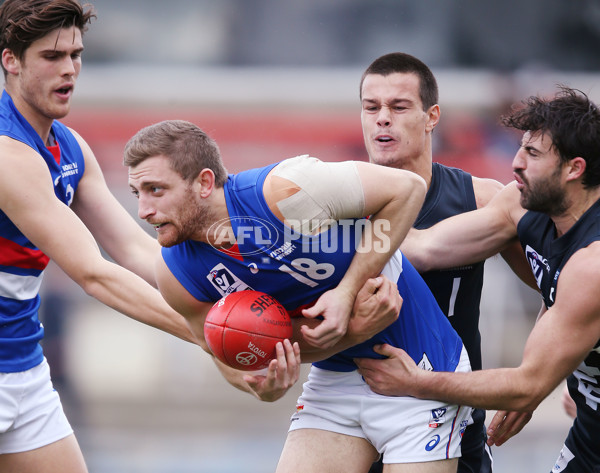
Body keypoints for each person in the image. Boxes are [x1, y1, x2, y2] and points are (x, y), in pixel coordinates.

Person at [125, 119, 474, 472]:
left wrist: (347, 291)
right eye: (137, 193)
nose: (144, 210)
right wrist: (259, 384)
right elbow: (221, 353)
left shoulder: (287, 190)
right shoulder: (175, 274)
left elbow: (408, 189)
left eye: (156, 190)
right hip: (335, 377)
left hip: (418, 360)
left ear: (204, 182)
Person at [0, 1, 206, 472]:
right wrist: (207, 333)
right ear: (10, 60)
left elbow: (136, 251)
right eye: (52, 57)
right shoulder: (7, 153)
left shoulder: (70, 148)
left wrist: (234, 295)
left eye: (76, 55)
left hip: (24, 372)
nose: (69, 69)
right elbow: (94, 274)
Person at [355, 86, 600, 473]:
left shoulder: (594, 262)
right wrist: (324, 227)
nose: (515, 163)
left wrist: (417, 381)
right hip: (590, 419)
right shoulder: (522, 207)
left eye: (532, 155)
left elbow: (527, 384)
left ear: (574, 169)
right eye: (520, 149)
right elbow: (424, 248)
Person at [360, 52, 538, 473]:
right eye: (371, 108)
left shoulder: (480, 199)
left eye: (399, 106)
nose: (382, 118)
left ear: (431, 116)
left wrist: (535, 376)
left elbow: (559, 288)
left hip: (454, 414)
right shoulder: (333, 206)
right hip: (358, 413)